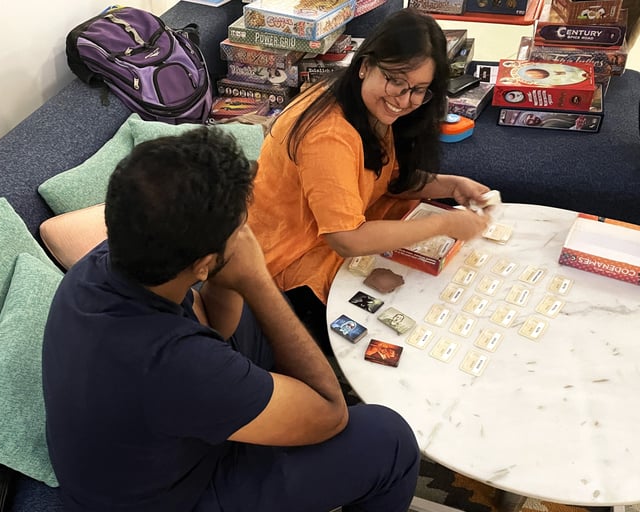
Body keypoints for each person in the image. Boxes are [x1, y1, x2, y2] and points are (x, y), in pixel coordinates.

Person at [42, 127, 421, 512]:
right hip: (173, 497)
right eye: (241, 231)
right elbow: (331, 413)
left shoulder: (107, 260)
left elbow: (215, 331)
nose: (247, 236)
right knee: (389, 441)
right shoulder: (177, 363)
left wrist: (225, 279)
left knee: (251, 325)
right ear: (204, 264)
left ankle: (267, 411)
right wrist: (256, 281)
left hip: (139, 451)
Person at [248, 8, 490, 349]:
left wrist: (449, 185)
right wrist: (443, 226)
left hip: (340, 232)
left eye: (419, 89)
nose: (405, 100)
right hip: (292, 264)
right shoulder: (328, 134)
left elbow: (386, 179)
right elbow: (346, 239)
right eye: (395, 81)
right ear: (364, 66)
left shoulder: (366, 107)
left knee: (437, 288)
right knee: (405, 326)